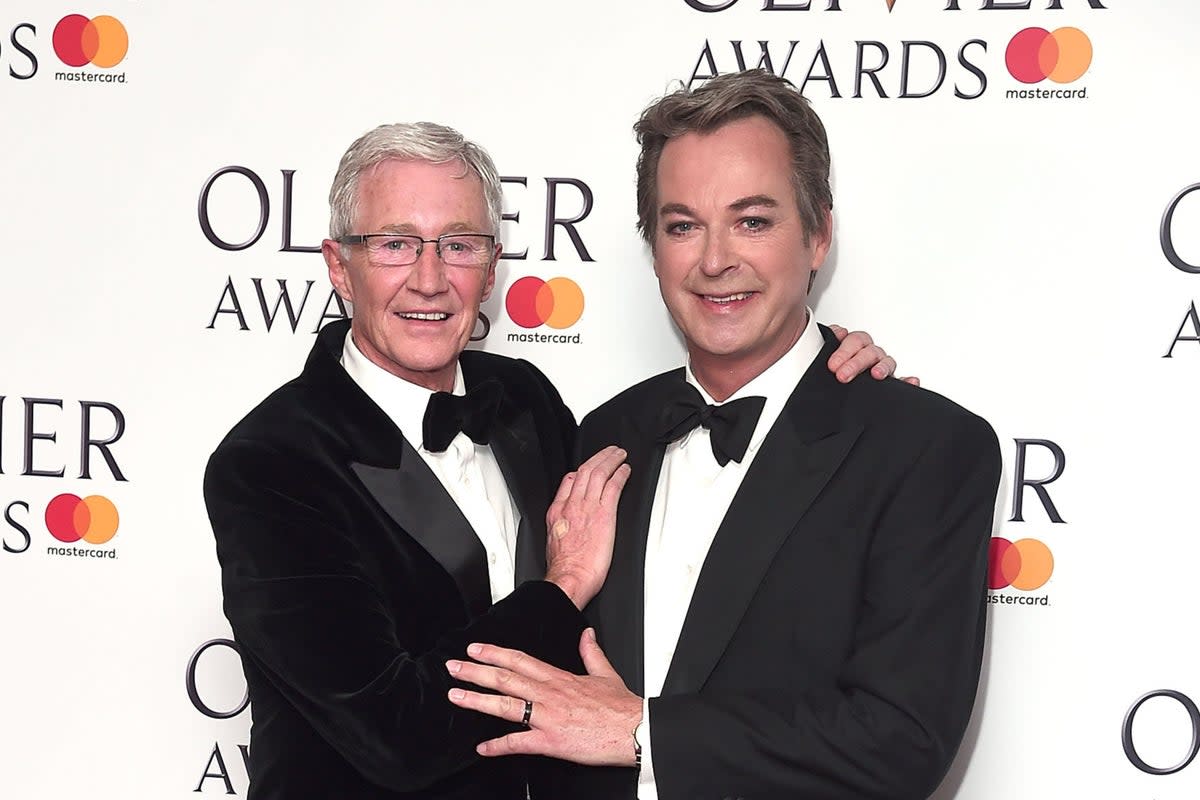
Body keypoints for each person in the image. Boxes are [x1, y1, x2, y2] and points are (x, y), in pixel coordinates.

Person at [203, 120, 899, 799]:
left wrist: (815, 371)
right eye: (394, 244)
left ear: (491, 267)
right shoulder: (271, 464)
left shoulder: (523, 401)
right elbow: (394, 733)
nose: (429, 278)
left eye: (459, 244)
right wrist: (560, 589)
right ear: (338, 267)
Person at [446, 70, 1003, 800]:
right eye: (683, 226)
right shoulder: (604, 434)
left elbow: (899, 743)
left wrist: (641, 733)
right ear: (653, 247)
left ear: (818, 234)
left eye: (753, 221)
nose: (715, 261)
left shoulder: (924, 448)